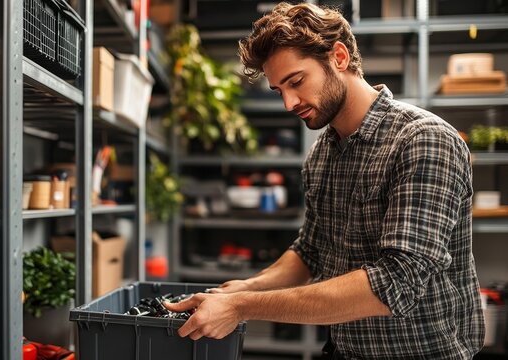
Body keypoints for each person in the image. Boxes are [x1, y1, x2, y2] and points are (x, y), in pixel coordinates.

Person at [163, 2, 485, 359]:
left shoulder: (423, 140)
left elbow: (396, 284)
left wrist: (244, 307)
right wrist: (242, 290)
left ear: (340, 57)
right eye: (278, 90)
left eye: (296, 81)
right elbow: (310, 251)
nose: (288, 103)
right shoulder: (321, 155)